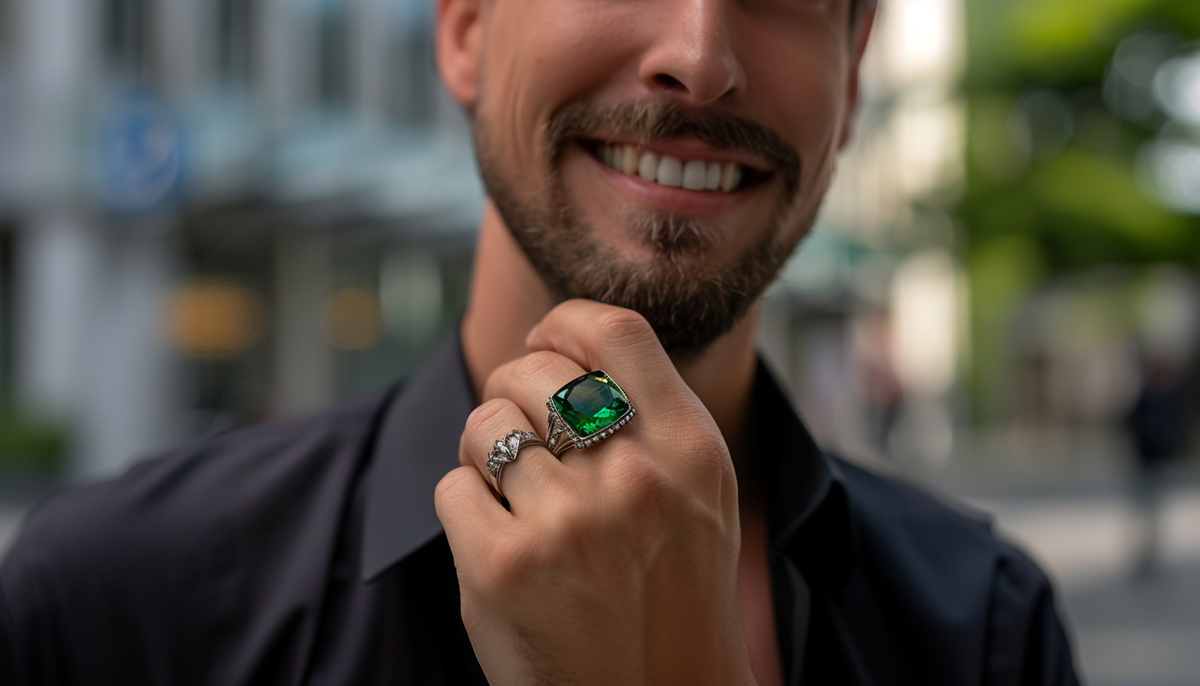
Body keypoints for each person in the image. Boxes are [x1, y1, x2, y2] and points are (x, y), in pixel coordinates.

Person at [1, 0, 1080, 684]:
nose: (699, 56)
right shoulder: (109, 605)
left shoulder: (990, 630)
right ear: (465, 26)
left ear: (851, 77)